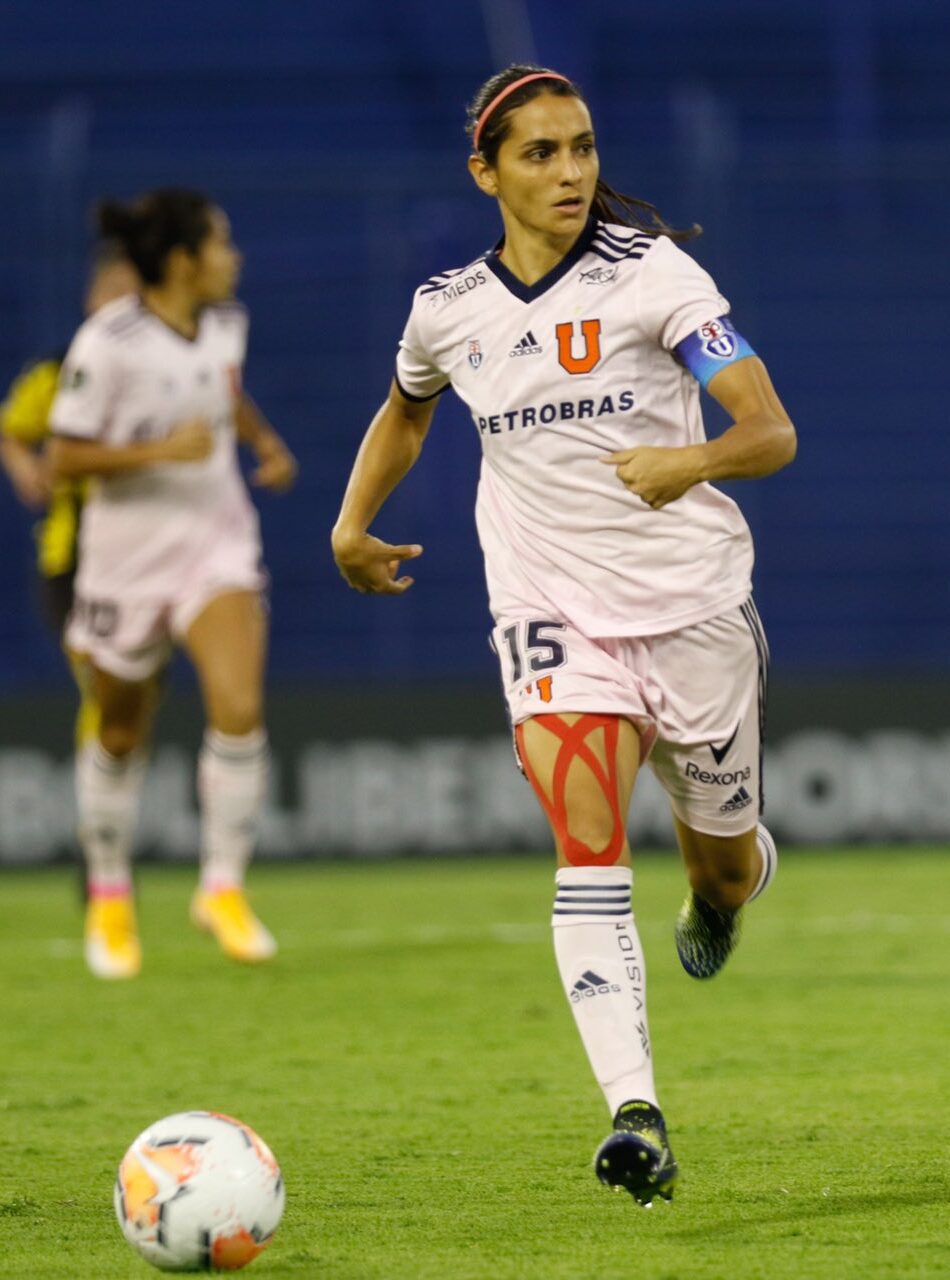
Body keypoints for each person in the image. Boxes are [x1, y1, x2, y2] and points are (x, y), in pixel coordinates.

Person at [330, 65, 795, 1206]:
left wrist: (689, 459)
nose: (571, 171)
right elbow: (406, 407)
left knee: (721, 864)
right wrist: (351, 523)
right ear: (485, 172)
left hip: (692, 610)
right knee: (586, 842)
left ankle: (729, 888)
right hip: (551, 617)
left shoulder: (657, 278)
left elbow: (770, 430)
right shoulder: (448, 308)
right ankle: (634, 1112)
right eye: (540, 153)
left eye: (582, 147)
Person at [47, 189, 299, 980]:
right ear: (184, 259)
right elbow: (65, 458)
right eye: (222, 244)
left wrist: (261, 439)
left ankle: (220, 886)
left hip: (215, 545)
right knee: (119, 732)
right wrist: (159, 452)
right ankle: (113, 895)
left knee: (240, 708)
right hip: (125, 562)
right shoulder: (108, 342)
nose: (235, 257)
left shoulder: (226, 325)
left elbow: (220, 393)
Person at [2, 246, 141, 751]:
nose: (126, 311)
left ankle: (112, 806)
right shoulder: (58, 373)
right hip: (74, 562)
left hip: (149, 559)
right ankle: (103, 819)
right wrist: (24, 468)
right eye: (116, 297)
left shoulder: (161, 376)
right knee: (105, 683)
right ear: (92, 300)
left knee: (137, 695)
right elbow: (14, 431)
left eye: (137, 300)